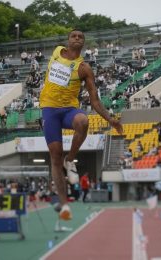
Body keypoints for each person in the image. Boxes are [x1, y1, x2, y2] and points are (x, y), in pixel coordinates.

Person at [39, 29, 123, 221]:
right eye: (73, 36)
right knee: (55, 156)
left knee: (84, 121)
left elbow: (94, 101)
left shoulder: (84, 68)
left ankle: (71, 159)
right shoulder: (56, 52)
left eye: (80, 37)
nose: (76, 38)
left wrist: (110, 119)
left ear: (83, 43)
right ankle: (64, 204)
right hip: (50, 110)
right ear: (68, 41)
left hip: (69, 110)